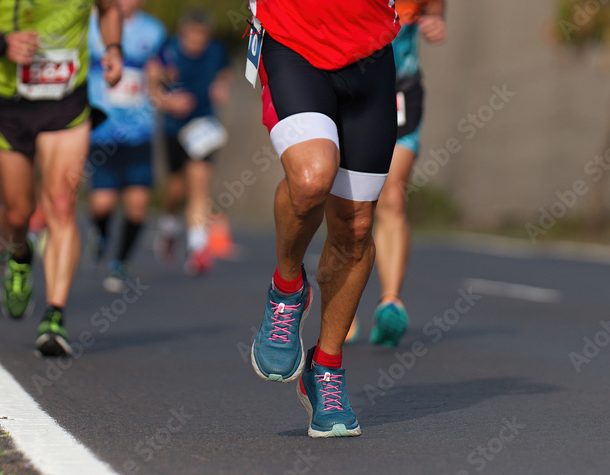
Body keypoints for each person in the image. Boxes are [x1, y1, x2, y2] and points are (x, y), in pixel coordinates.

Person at [248, 0, 400, 437]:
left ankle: (325, 370)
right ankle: (287, 288)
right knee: (312, 178)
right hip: (293, 41)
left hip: (370, 52)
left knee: (355, 227)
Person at [0, 0, 123, 357]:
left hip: (65, 100)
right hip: (8, 101)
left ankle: (54, 315)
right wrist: (2, 41)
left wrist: (112, 49)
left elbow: (110, 9)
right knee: (18, 213)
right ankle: (19, 253)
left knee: (61, 203)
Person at [349, 0, 448, 346]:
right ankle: (341, 305)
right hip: (348, 85)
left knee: (392, 196)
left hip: (399, 89)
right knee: (352, 205)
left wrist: (435, 19)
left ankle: (390, 302)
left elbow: (433, 7)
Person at [86, 0, 167, 293]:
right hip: (103, 130)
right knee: (103, 202)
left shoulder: (154, 30)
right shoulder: (91, 26)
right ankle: (101, 233)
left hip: (139, 131)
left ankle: (120, 263)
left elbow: (166, 70)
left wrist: (161, 82)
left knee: (137, 205)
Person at [149, 10, 231, 275]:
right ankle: (168, 226)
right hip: (175, 127)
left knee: (199, 183)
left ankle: (198, 248)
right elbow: (153, 85)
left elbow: (224, 73)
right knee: (175, 187)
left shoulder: (216, 51)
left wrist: (220, 85)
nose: (196, 43)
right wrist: (167, 101)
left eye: (201, 38)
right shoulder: (168, 51)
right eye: (192, 37)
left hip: (203, 124)